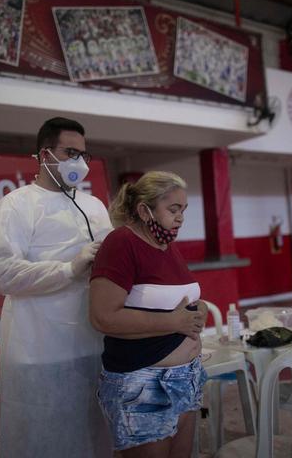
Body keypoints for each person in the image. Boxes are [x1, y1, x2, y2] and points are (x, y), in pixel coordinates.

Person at [0, 117, 113, 458]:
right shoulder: (15, 205)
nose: (80, 163)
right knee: (41, 438)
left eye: (84, 154)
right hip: (38, 348)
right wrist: (69, 268)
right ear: (44, 154)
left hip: (91, 343)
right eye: (70, 152)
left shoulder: (95, 207)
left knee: (92, 433)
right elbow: (5, 275)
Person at [89, 171, 208, 457]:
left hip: (186, 376)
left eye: (183, 210)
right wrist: (173, 322)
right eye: (173, 209)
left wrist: (199, 307)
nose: (180, 218)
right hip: (144, 381)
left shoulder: (167, 246)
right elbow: (102, 317)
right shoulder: (122, 243)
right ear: (145, 210)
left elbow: (175, 298)